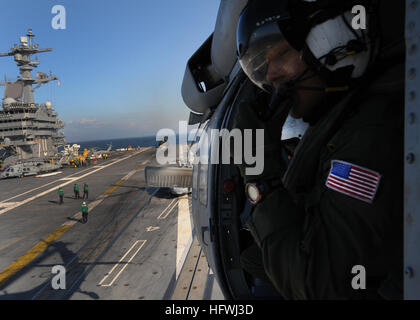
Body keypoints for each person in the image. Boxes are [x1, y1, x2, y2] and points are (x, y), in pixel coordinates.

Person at [233, 0, 404, 299]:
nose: (271, 75)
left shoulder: (370, 132)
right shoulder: (340, 118)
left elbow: (321, 287)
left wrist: (259, 178)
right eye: (264, 65)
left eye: (281, 53)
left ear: (335, 38)